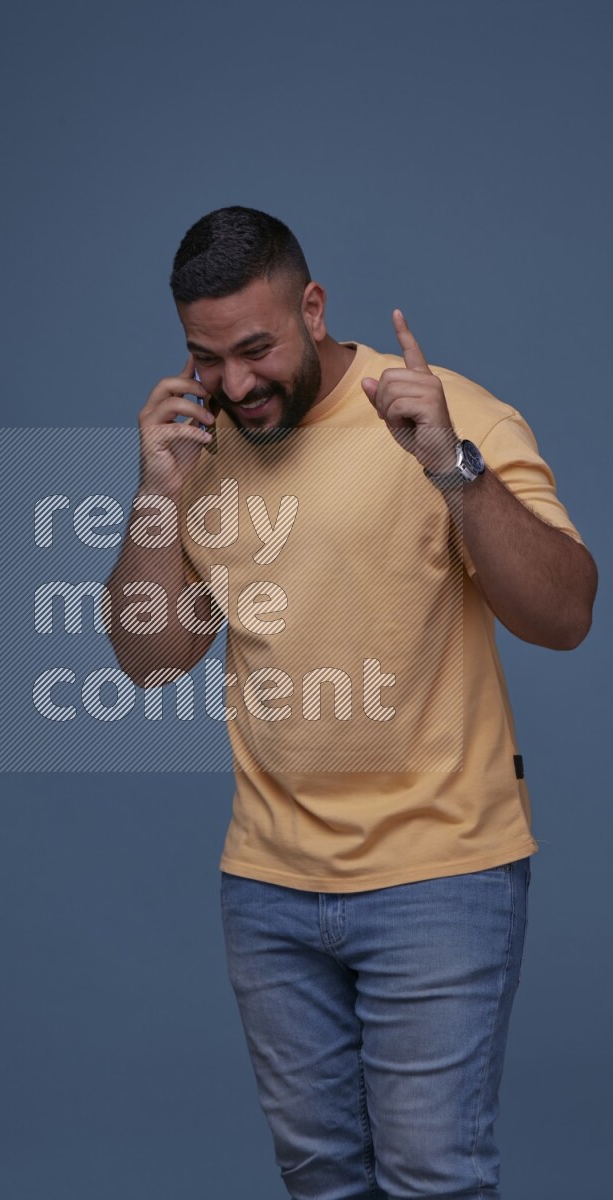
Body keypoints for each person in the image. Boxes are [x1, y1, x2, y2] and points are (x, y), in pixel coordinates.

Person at [106, 207, 597, 1200]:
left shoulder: (449, 417)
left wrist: (452, 468)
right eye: (208, 359)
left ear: (312, 308)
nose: (237, 384)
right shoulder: (200, 454)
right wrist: (157, 493)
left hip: (441, 875)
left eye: (256, 348)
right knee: (319, 1179)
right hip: (268, 886)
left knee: (428, 1177)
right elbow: (153, 660)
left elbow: (564, 614)